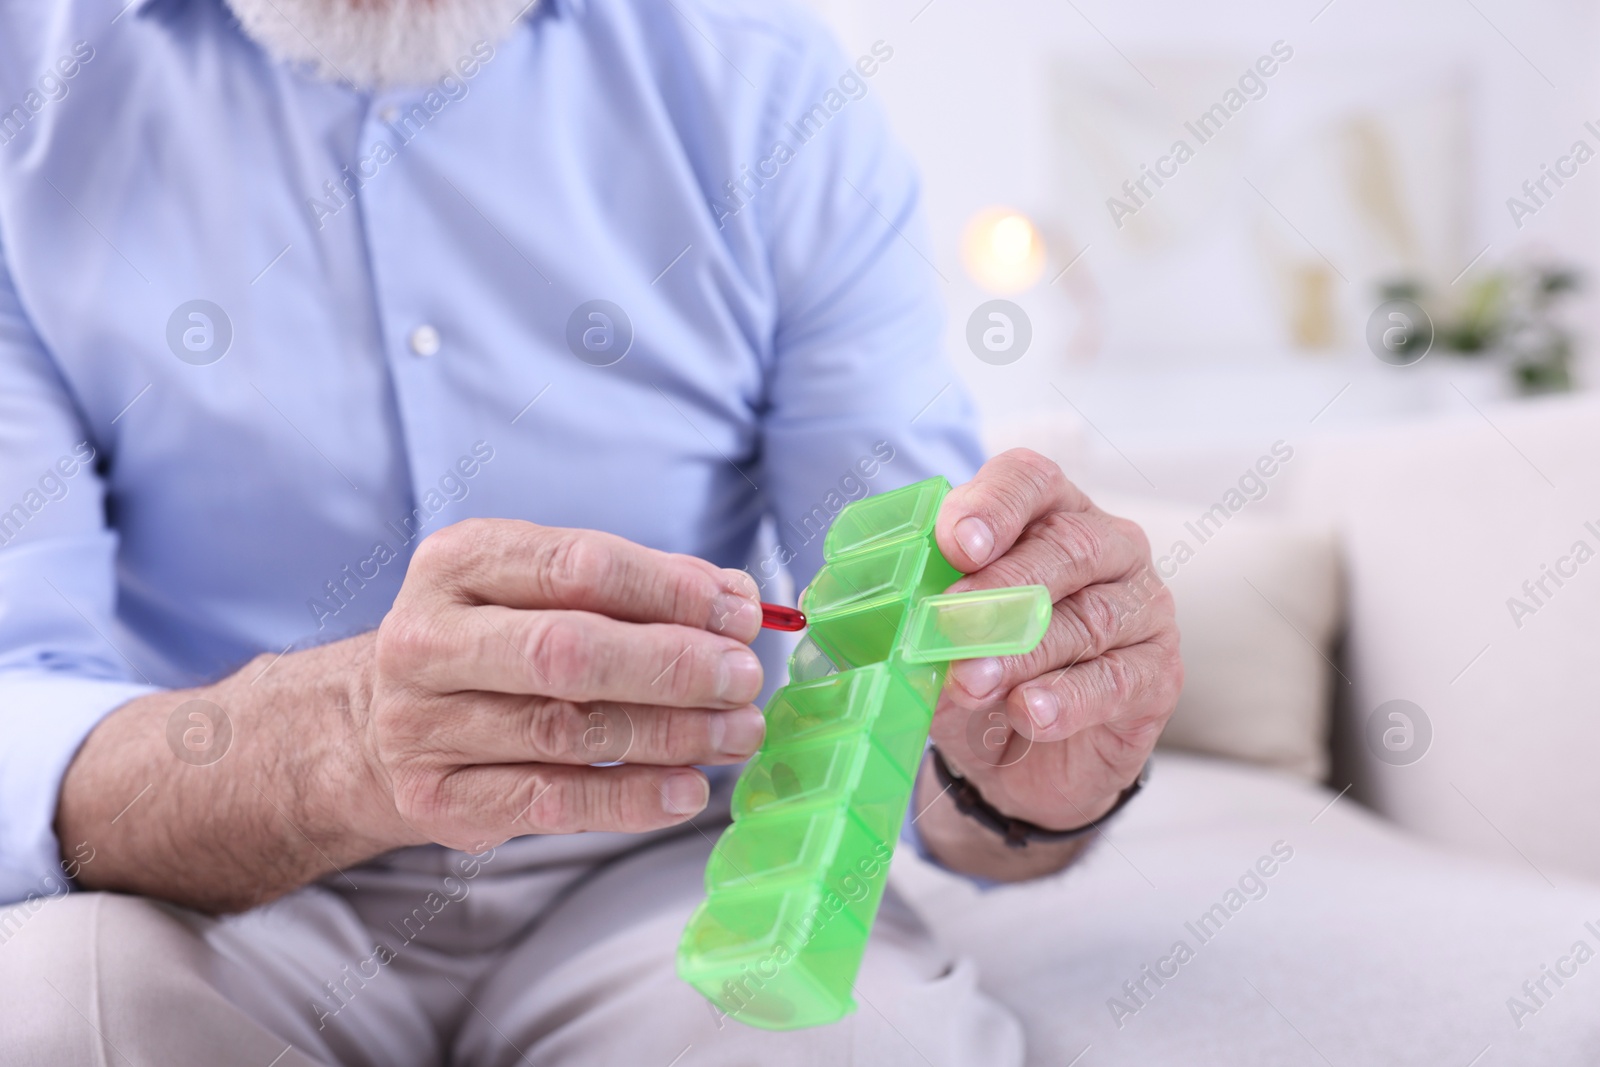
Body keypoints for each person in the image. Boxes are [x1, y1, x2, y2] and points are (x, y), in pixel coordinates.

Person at [0, 0, 1181, 1062]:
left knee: (863, 1043)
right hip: (213, 876)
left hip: (667, 866)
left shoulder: (764, 81)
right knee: (54, 1018)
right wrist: (330, 749)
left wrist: (1021, 780)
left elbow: (918, 678)